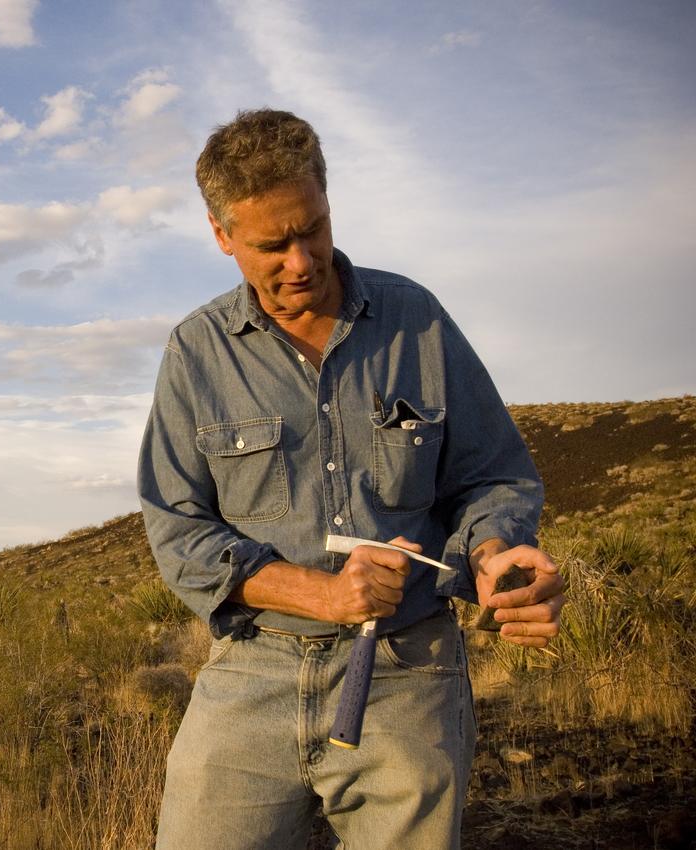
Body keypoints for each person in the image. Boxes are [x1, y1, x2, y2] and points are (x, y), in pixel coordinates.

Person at [137, 109, 566, 850]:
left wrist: (496, 553)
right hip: (253, 669)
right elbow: (177, 529)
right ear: (221, 236)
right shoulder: (196, 351)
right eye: (272, 244)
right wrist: (316, 592)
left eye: (314, 228)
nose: (301, 261)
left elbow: (494, 477)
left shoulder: (416, 320)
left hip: (408, 669)